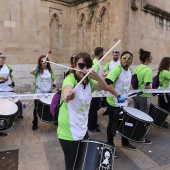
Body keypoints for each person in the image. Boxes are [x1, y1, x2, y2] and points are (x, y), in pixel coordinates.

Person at [57, 52, 107, 170]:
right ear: (74, 65)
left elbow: (105, 87)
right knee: (73, 166)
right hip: (69, 133)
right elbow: (67, 88)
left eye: (87, 65)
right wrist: (68, 94)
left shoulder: (89, 81)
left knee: (82, 163)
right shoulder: (70, 79)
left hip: (82, 130)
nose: (84, 69)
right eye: (81, 65)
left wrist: (96, 75)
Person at [105, 51, 136, 154]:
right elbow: (107, 84)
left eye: (129, 58)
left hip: (124, 103)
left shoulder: (130, 70)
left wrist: (132, 91)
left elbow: (128, 83)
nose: (126, 59)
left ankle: (125, 142)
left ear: (131, 60)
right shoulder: (117, 69)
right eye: (124, 57)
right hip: (114, 102)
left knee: (125, 123)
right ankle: (110, 144)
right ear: (121, 59)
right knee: (113, 124)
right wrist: (118, 95)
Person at [30, 55, 57, 130]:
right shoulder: (38, 70)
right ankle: (35, 123)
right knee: (36, 108)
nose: (44, 62)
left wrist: (54, 83)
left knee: (50, 107)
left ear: (47, 62)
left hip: (48, 92)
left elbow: (54, 78)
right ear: (40, 62)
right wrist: (37, 67)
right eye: (42, 61)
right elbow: (30, 72)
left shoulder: (50, 71)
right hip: (38, 92)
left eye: (45, 61)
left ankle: (53, 120)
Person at [0, 53, 23, 137]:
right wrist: (2, 78)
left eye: (4, 58)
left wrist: (12, 81)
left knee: (18, 102)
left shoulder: (8, 67)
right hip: (1, 91)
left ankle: (19, 115)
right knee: (2, 108)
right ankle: (3, 125)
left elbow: (11, 76)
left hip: (9, 89)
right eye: (2, 57)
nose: (3, 59)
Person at [133, 48, 153, 144]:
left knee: (136, 116)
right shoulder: (148, 70)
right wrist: (152, 91)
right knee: (144, 117)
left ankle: (134, 133)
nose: (152, 58)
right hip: (144, 96)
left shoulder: (137, 67)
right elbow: (147, 84)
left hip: (136, 95)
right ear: (147, 59)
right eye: (151, 57)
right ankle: (141, 137)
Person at [88, 47, 104, 132]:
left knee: (95, 108)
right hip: (94, 91)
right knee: (93, 109)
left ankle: (93, 123)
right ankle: (91, 126)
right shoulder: (95, 63)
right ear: (101, 53)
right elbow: (92, 76)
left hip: (96, 91)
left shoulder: (96, 62)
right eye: (103, 53)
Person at [102, 49, 120, 115]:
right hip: (110, 83)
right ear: (112, 55)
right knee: (108, 97)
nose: (115, 56)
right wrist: (104, 73)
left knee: (117, 95)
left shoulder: (120, 63)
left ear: (119, 55)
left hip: (118, 83)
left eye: (117, 55)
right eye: (114, 55)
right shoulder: (109, 63)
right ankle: (108, 109)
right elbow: (103, 70)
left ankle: (117, 108)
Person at [157, 57, 170, 128]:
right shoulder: (165, 72)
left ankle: (161, 120)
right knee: (164, 108)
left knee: (162, 107)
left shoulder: (162, 71)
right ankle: (160, 122)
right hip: (164, 92)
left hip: (162, 92)